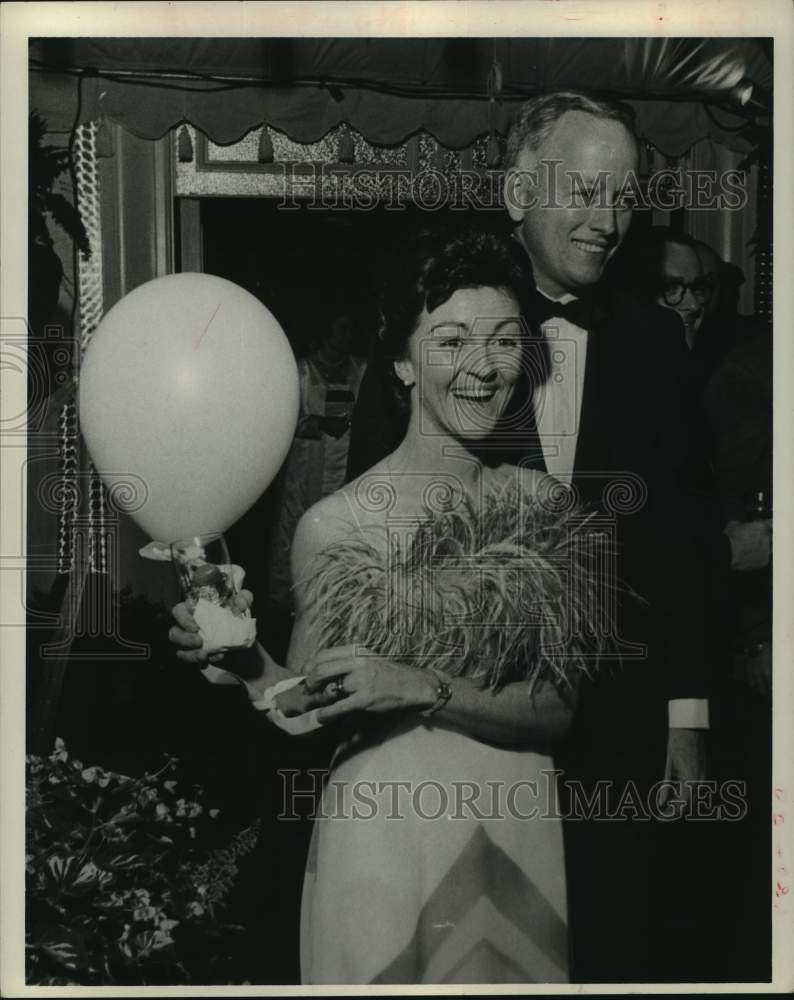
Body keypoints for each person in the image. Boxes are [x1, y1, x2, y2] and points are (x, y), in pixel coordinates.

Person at [170, 227, 609, 985]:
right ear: (403, 362)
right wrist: (248, 664)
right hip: (379, 838)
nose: (482, 365)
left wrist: (422, 686)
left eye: (505, 340)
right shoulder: (335, 524)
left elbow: (559, 712)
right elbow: (307, 707)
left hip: (516, 832)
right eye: (450, 340)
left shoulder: (546, 509)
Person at [502, 92, 721, 982]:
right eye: (585, 192)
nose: (608, 222)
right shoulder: (435, 320)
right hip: (472, 716)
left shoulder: (656, 341)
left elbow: (689, 543)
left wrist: (689, 714)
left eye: (624, 198)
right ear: (517, 192)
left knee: (611, 947)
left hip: (621, 723)